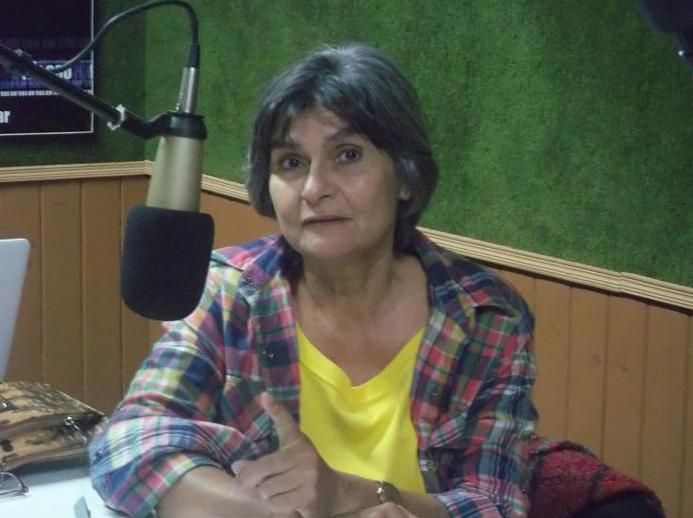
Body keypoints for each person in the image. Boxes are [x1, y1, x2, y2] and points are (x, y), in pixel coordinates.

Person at [89, 43, 538, 518]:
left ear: (405, 177)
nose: (314, 188)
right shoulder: (226, 291)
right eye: (291, 162)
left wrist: (358, 495)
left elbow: (496, 503)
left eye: (348, 155)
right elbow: (126, 443)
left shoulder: (487, 314)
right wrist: (273, 513)